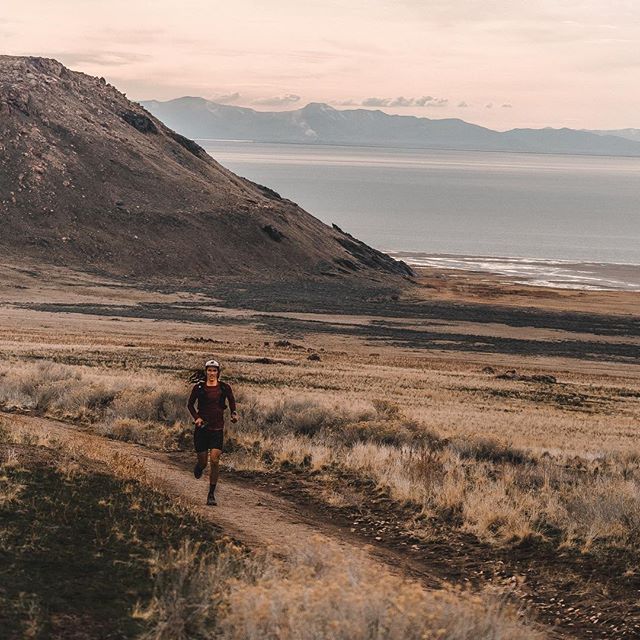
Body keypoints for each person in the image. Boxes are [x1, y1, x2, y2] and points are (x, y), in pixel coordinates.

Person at [187, 359, 237, 505]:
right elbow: (190, 405)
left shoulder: (224, 388)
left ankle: (211, 494)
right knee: (203, 462)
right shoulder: (199, 387)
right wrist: (196, 418)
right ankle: (200, 466)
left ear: (218, 373)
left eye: (214, 370)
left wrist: (234, 414)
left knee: (215, 460)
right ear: (205, 372)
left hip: (217, 429)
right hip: (202, 429)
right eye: (209, 370)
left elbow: (232, 401)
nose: (212, 373)